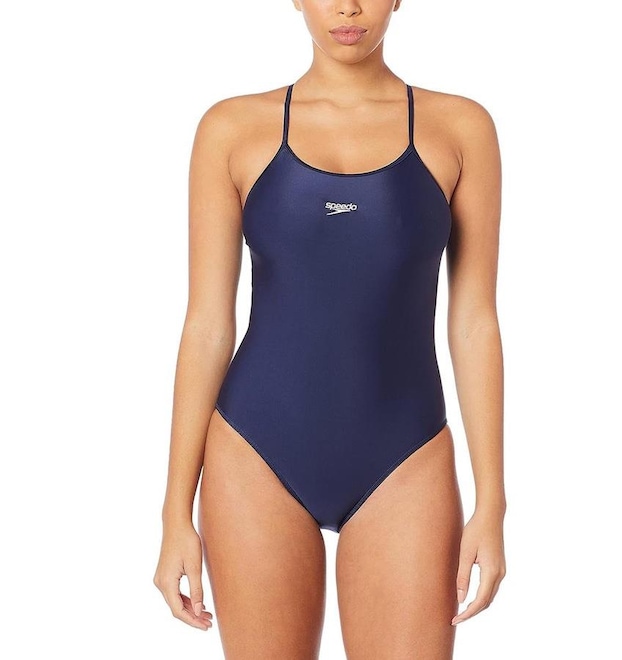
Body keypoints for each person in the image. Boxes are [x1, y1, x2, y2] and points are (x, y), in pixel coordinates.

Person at [153, 1, 506, 657]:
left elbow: (475, 321)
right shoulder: (232, 127)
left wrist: (493, 502)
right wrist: (175, 510)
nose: (348, 6)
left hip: (406, 457)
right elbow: (206, 325)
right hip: (255, 451)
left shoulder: (460, 127)